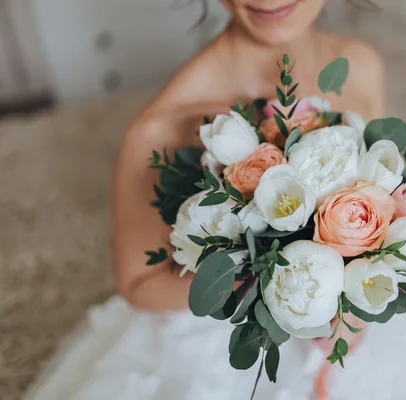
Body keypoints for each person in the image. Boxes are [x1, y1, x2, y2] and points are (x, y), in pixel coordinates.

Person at [25, 1, 384, 399]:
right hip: (223, 350)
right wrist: (284, 288)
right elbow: (139, 284)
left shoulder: (362, 64)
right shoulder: (159, 128)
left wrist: (357, 281)